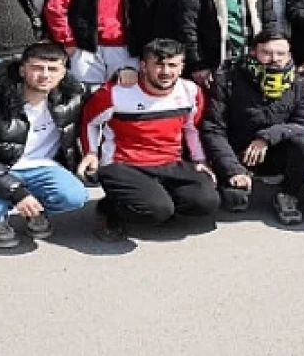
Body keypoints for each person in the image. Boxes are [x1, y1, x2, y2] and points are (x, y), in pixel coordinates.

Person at [78, 38, 219, 240]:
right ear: (143, 65)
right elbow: (89, 122)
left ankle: (157, 201)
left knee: (206, 202)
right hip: (124, 164)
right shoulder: (115, 93)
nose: (165, 71)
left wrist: (200, 160)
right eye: (158, 64)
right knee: (156, 211)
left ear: (182, 67)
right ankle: (109, 208)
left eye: (172, 65)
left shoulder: (191, 91)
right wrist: (91, 153)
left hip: (170, 162)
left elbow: (191, 128)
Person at [0, 42, 89, 248]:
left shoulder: (72, 98)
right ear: (22, 69)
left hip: (45, 167)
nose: (45, 75)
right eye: (37, 67)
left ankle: (36, 211)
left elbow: (108, 103)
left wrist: (125, 73)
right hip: (1, 169)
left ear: (63, 73)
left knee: (75, 196)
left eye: (53, 69)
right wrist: (18, 193)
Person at [200, 29, 304, 226]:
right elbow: (213, 129)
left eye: (281, 54)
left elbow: (302, 125)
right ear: (253, 52)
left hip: (273, 149)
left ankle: (288, 196)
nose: (274, 59)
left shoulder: (298, 82)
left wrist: (266, 138)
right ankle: (236, 180)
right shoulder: (227, 79)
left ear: (289, 55)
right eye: (267, 53)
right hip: (236, 152)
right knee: (234, 201)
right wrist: (232, 169)